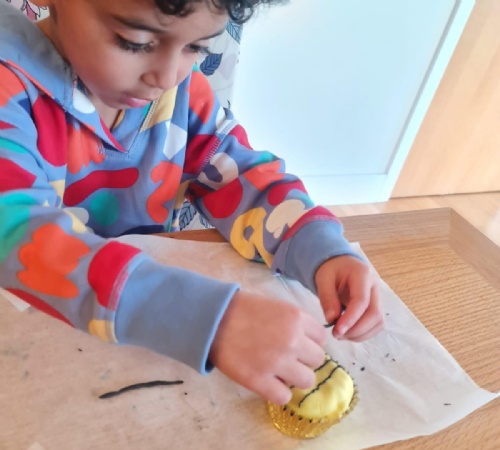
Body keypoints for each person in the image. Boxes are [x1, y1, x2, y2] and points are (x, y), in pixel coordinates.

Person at [0, 0, 384, 405]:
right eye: (135, 42)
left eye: (196, 47)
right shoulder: (10, 86)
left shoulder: (182, 91)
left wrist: (319, 248)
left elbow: (239, 174)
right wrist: (207, 320)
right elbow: (16, 232)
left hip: (142, 344)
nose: (165, 78)